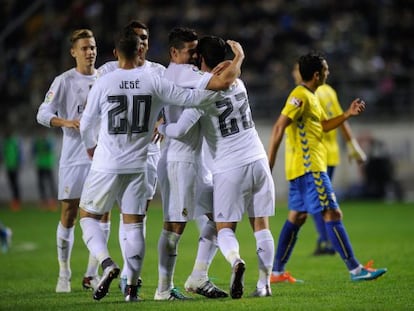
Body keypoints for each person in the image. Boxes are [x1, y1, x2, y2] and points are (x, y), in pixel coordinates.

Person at [78, 26, 221, 302]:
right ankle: (132, 289)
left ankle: (107, 264)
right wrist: (223, 88)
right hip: (141, 163)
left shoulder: (105, 80)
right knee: (135, 226)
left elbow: (86, 124)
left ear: (116, 52)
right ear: (140, 50)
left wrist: (91, 147)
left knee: (88, 217)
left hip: (107, 162)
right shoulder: (153, 79)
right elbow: (190, 98)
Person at [158, 35, 275, 299]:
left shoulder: (203, 97)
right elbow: (230, 74)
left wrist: (161, 127)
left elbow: (179, 129)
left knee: (223, 228)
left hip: (229, 168)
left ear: (201, 60)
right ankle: (263, 285)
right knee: (262, 226)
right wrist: (238, 58)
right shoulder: (240, 84)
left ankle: (235, 260)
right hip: (258, 159)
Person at [267, 51, 387, 283]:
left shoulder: (312, 96)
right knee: (333, 213)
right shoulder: (299, 95)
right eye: (326, 70)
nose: (328, 72)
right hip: (310, 168)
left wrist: (347, 114)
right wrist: (268, 164)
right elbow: (279, 127)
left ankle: (277, 272)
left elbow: (322, 125)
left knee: (297, 217)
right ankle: (355, 269)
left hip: (302, 170)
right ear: (316, 74)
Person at [154, 28, 243, 300]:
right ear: (174, 53)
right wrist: (238, 57)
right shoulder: (182, 73)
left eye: (197, 51)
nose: (195, 56)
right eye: (190, 51)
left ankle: (199, 277)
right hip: (181, 162)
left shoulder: (177, 73)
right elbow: (224, 81)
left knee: (222, 217)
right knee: (174, 225)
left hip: (195, 160)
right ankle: (163, 289)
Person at [36, 29, 110, 293]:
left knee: (102, 215)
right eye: (84, 48)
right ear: (73, 52)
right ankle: (64, 273)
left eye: (92, 47)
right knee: (69, 214)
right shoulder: (64, 81)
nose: (90, 52)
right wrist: (66, 121)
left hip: (102, 158)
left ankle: (91, 275)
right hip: (73, 158)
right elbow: (42, 113)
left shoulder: (105, 78)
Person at [97, 20, 166, 298]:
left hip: (147, 156)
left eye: (146, 38)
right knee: (104, 215)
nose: (142, 43)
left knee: (136, 217)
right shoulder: (107, 71)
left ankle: (127, 275)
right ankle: (100, 271)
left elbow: (174, 105)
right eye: (137, 38)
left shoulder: (158, 72)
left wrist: (162, 120)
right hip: (112, 156)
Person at [291, 62, 367, 256]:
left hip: (316, 155)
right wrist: (352, 146)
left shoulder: (308, 94)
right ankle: (324, 240)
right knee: (318, 203)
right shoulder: (329, 91)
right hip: (328, 153)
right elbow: (341, 118)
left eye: (295, 69)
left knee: (316, 203)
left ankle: (327, 241)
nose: (293, 73)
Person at [32, 129, 58, 211]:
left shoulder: (49, 141)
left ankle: (53, 201)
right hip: (40, 165)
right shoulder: (37, 141)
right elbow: (34, 152)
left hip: (48, 164)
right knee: (41, 184)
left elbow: (51, 149)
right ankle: (43, 201)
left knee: (50, 184)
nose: (42, 134)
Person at [1, 129, 22, 211]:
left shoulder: (14, 142)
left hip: (14, 166)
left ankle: (17, 201)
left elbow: (19, 154)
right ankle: (14, 201)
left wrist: (18, 163)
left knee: (15, 184)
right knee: (12, 184)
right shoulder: (5, 142)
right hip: (8, 166)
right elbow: (3, 154)